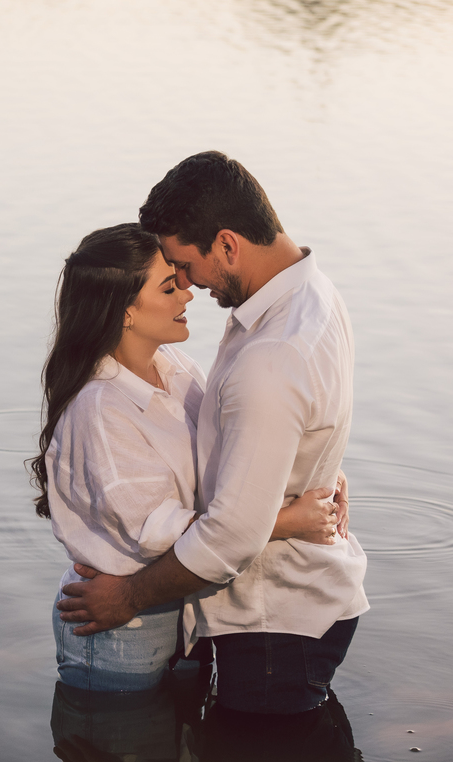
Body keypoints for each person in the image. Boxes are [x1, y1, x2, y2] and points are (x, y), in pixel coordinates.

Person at [56, 152, 369, 715]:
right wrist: (314, 463)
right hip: (251, 613)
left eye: (183, 265)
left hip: (275, 617)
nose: (187, 285)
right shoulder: (309, 300)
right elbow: (258, 434)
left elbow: (232, 534)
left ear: (226, 245)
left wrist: (125, 597)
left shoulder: (265, 354)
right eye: (169, 277)